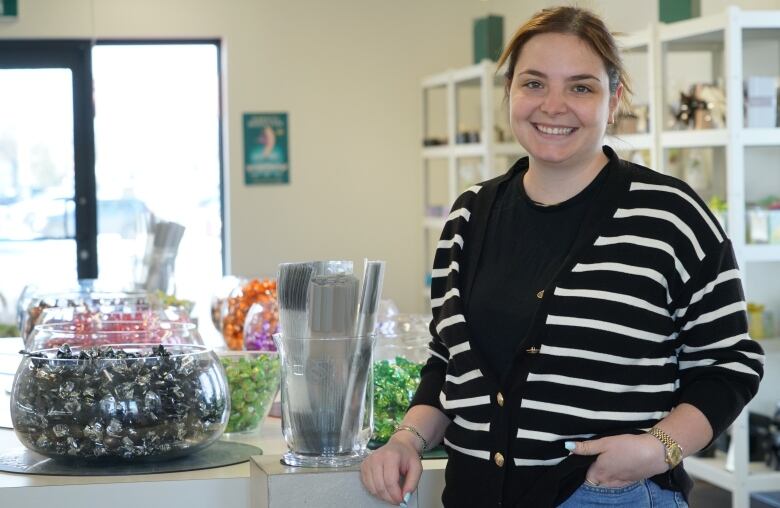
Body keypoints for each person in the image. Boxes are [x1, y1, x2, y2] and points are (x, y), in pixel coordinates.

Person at [361, 5, 765, 508]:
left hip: (609, 495)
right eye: (534, 83)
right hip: (474, 495)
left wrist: (657, 450)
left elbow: (730, 364)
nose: (553, 105)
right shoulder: (469, 216)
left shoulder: (669, 216)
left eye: (581, 87)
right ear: (509, 91)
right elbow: (448, 364)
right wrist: (406, 440)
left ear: (612, 100)